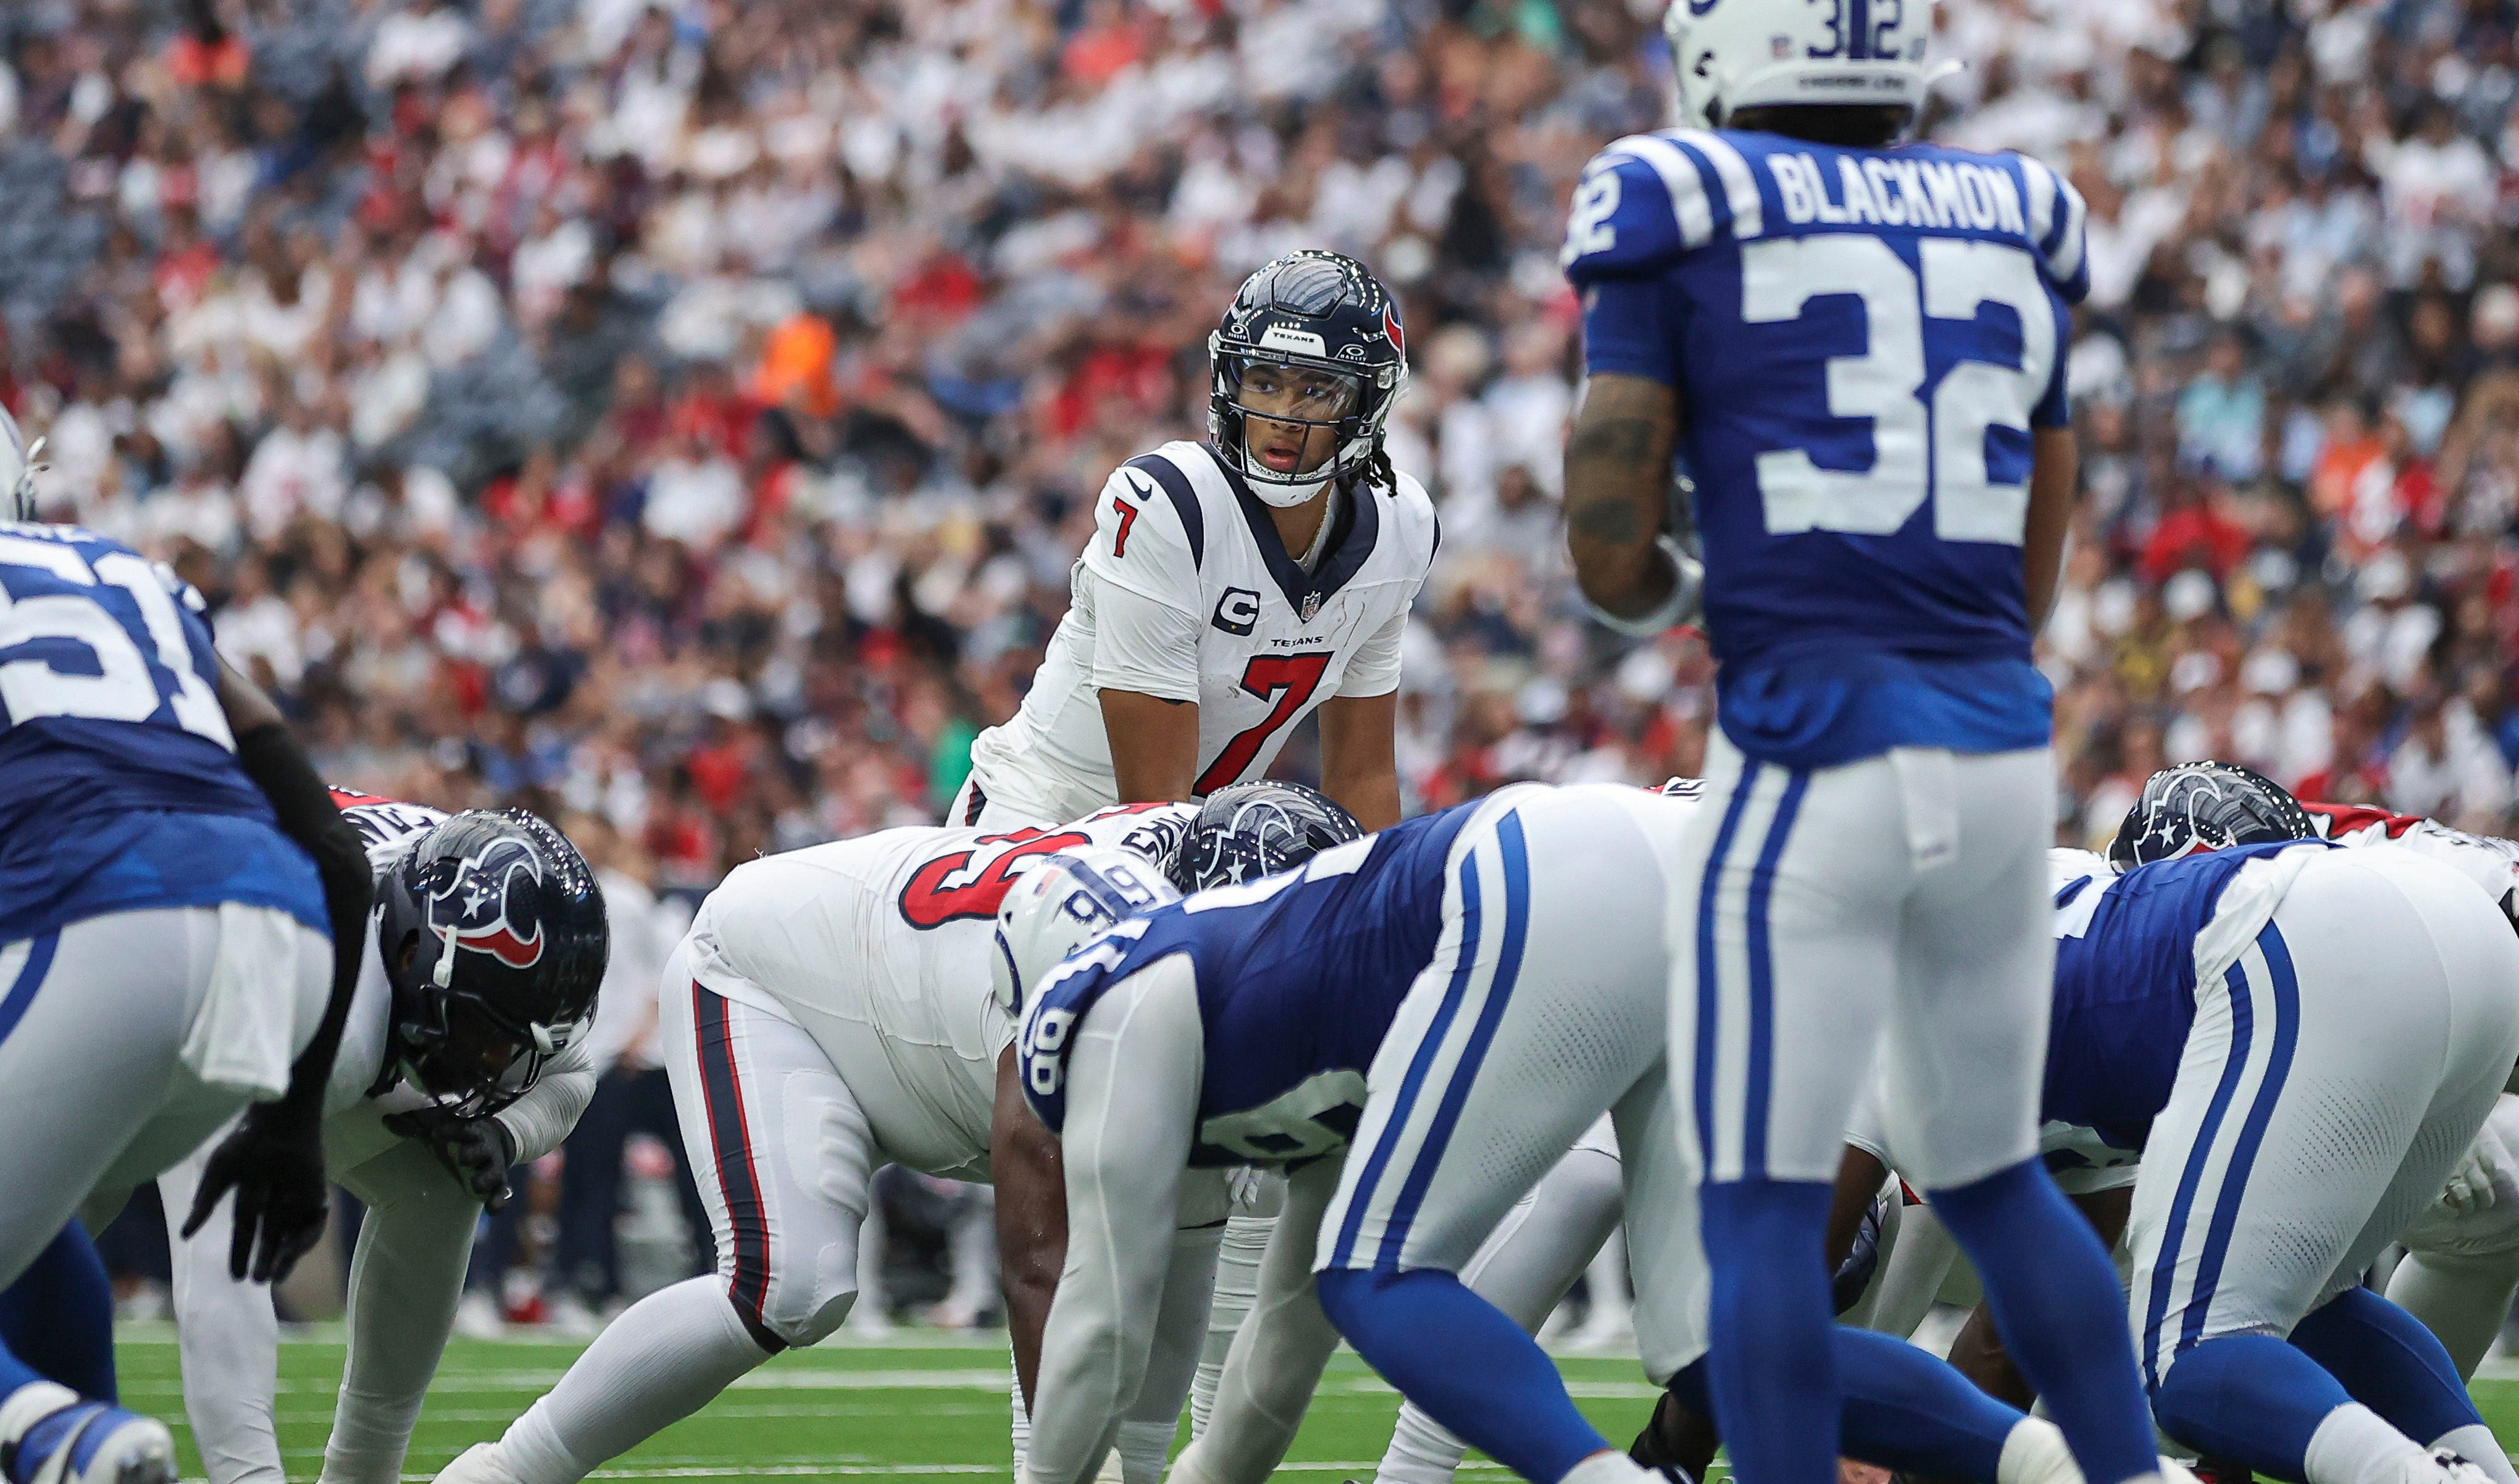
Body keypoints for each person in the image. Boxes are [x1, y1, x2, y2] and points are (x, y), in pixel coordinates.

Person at [1555, 8, 2159, 1484]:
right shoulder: (2018, 210)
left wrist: (1715, 579)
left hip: (1810, 734)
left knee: (1757, 1208)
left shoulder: (1669, 196)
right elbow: (2030, 574)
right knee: (1998, 1180)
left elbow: (1605, 547)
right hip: (1990, 741)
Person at [1004, 783, 2185, 1484]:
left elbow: (1101, 1323)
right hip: (1667, 875)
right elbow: (1272, 1365)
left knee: (1377, 1270)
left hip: (1549, 869)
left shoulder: (1112, 1004)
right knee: (1715, 1344)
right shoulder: (1249, 1012)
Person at [430, 783, 1353, 1484]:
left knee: (1192, 1191)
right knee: (791, 1285)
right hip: (779, 986)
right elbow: (1042, 1269)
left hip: (928, 1020)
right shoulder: (1101, 956)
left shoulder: (1212, 893)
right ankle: (506, 1472)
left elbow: (1183, 1266)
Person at [1854, 812, 2519, 1484]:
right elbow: (2009, 1341)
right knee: (2307, 1312)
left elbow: (1775, 1319)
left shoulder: (1872, 1010)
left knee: (2190, 1359)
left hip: (2320, 942)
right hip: (2464, 933)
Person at [0, 406, 375, 1484]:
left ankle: (51, 1428)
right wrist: (295, 1119)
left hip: (104, 919)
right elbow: (337, 854)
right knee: (33, 1221)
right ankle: (78, 1432)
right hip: (283, 941)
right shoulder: (125, 572)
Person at [161, 795, 606, 1484]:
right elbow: (218, 1239)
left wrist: (501, 1131)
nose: (492, 1068)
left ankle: (362, 1474)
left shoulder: (490, 947)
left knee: (443, 1179)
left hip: (284, 981)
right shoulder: (326, 989)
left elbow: (573, 1073)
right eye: (485, 1037)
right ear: (412, 950)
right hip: (156, 971)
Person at [955, 249, 1431, 836]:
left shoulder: (1400, 526)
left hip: (1192, 829)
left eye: (1318, 390)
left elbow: (1361, 779)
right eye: (1264, 381)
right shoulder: (1172, 504)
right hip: (1035, 821)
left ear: (1370, 402)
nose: (1283, 413)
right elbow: (1151, 808)